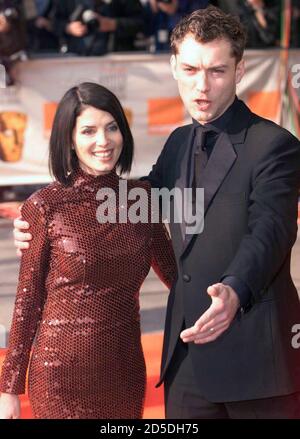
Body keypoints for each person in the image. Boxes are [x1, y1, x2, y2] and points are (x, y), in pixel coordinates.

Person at [12, 6, 300, 419]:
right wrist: (44, 220)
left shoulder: (274, 145)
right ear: (173, 68)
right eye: (190, 69)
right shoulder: (179, 143)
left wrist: (235, 288)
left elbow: (271, 230)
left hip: (256, 363)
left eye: (217, 71)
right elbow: (128, 201)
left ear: (240, 71)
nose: (202, 85)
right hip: (186, 366)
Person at [0, 82, 176, 419]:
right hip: (58, 373)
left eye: (112, 127)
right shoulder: (45, 206)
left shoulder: (142, 200)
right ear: (69, 139)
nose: (103, 141)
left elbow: (178, 276)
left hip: (123, 369)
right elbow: (28, 299)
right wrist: (9, 388)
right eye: (88, 130)